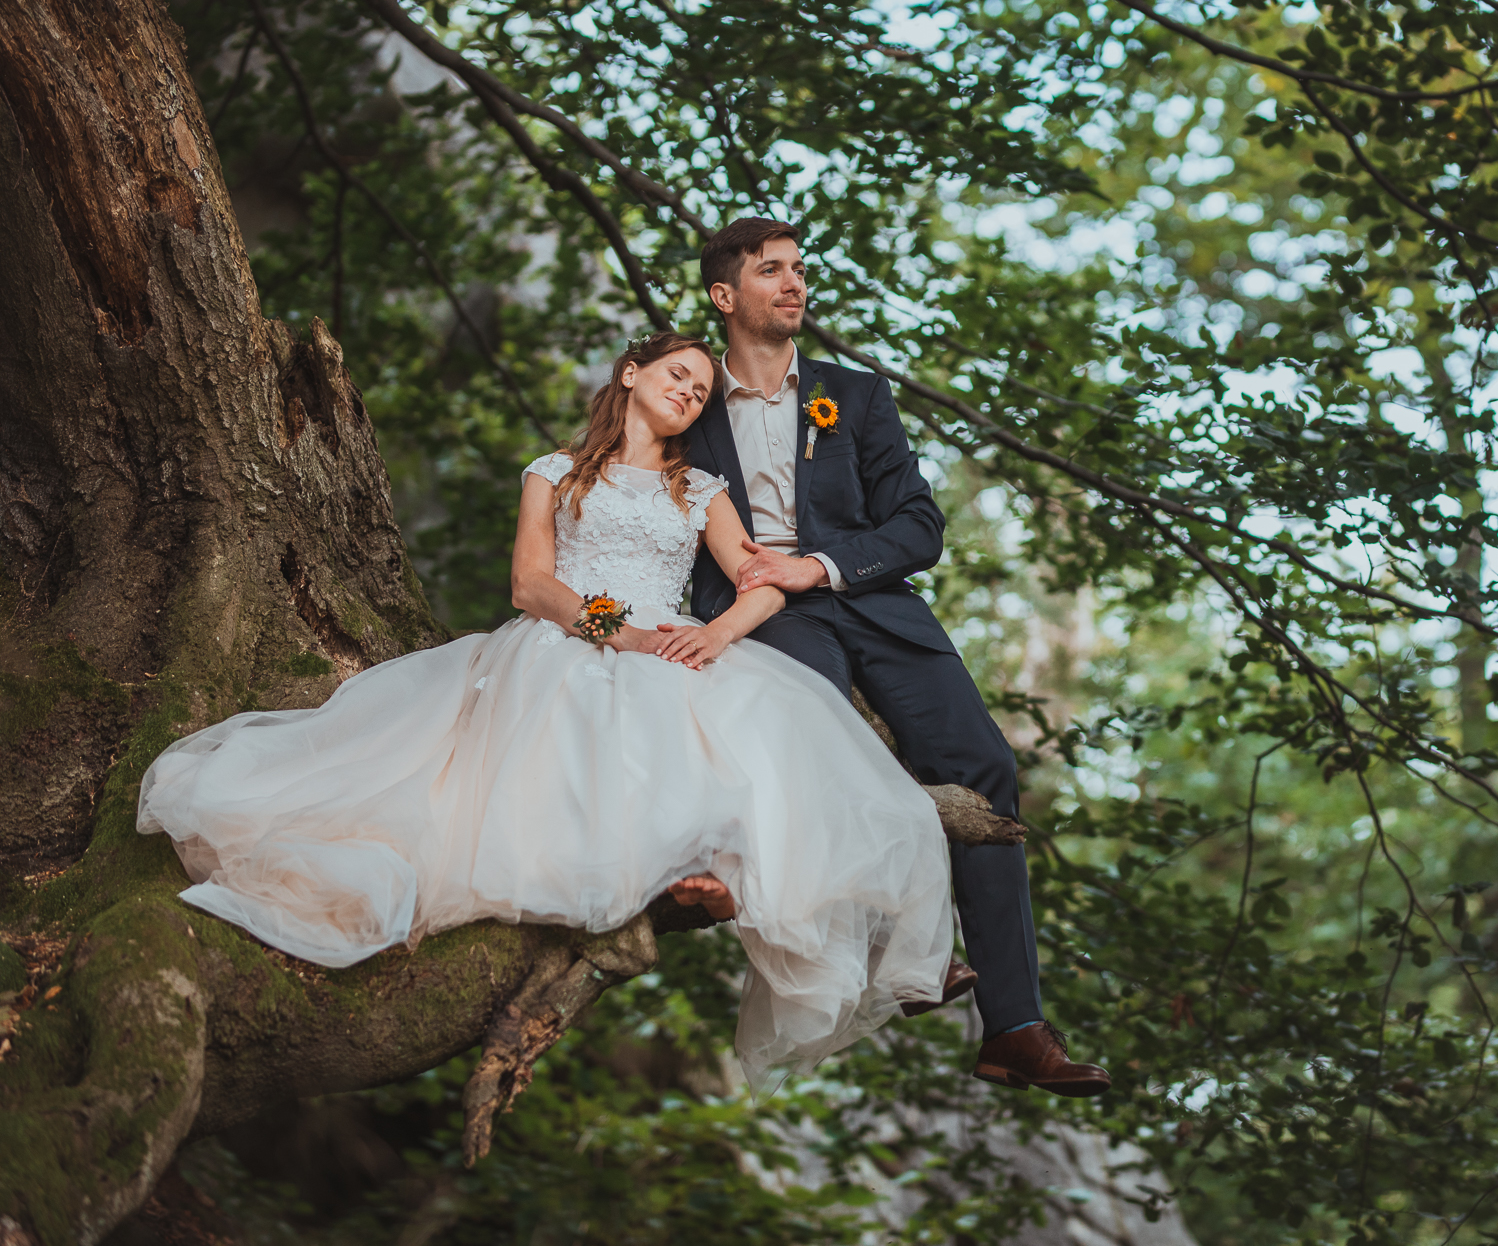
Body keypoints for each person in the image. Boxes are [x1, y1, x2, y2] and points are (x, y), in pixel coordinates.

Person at [138, 335, 955, 1087]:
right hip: (569, 639)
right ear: (631, 373)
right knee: (558, 740)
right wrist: (621, 634)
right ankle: (656, 862)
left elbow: (756, 573)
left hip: (669, 641)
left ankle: (711, 870)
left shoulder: (701, 489)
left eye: (703, 392)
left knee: (750, 735)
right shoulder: (555, 472)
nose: (689, 395)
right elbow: (530, 584)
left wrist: (716, 633)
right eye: (679, 374)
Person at [683, 217, 1111, 1097]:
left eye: (800, 269)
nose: (794, 283)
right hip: (758, 611)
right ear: (725, 296)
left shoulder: (857, 395)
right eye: (772, 272)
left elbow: (918, 524)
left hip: (868, 601)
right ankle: (903, 952)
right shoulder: (685, 402)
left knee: (984, 763)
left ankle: (1016, 1028)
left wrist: (821, 565)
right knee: (826, 750)